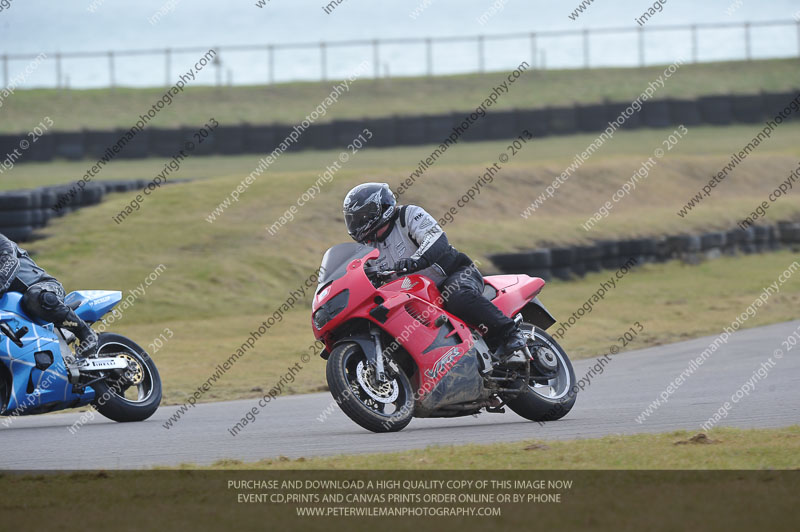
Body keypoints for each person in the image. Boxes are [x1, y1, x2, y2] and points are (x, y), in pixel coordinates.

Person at [342, 182, 526, 361]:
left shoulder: (407, 216)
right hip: (415, 297)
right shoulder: (366, 248)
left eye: (362, 216)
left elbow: (436, 239)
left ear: (379, 208)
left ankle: (510, 333)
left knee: (458, 297)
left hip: (453, 274)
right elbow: (357, 276)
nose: (357, 223)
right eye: (353, 219)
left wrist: (415, 261)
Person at [0, 233, 98, 358]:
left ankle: (86, 333)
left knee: (35, 296)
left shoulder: (2, 242)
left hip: (44, 287)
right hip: (13, 307)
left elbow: (10, 262)